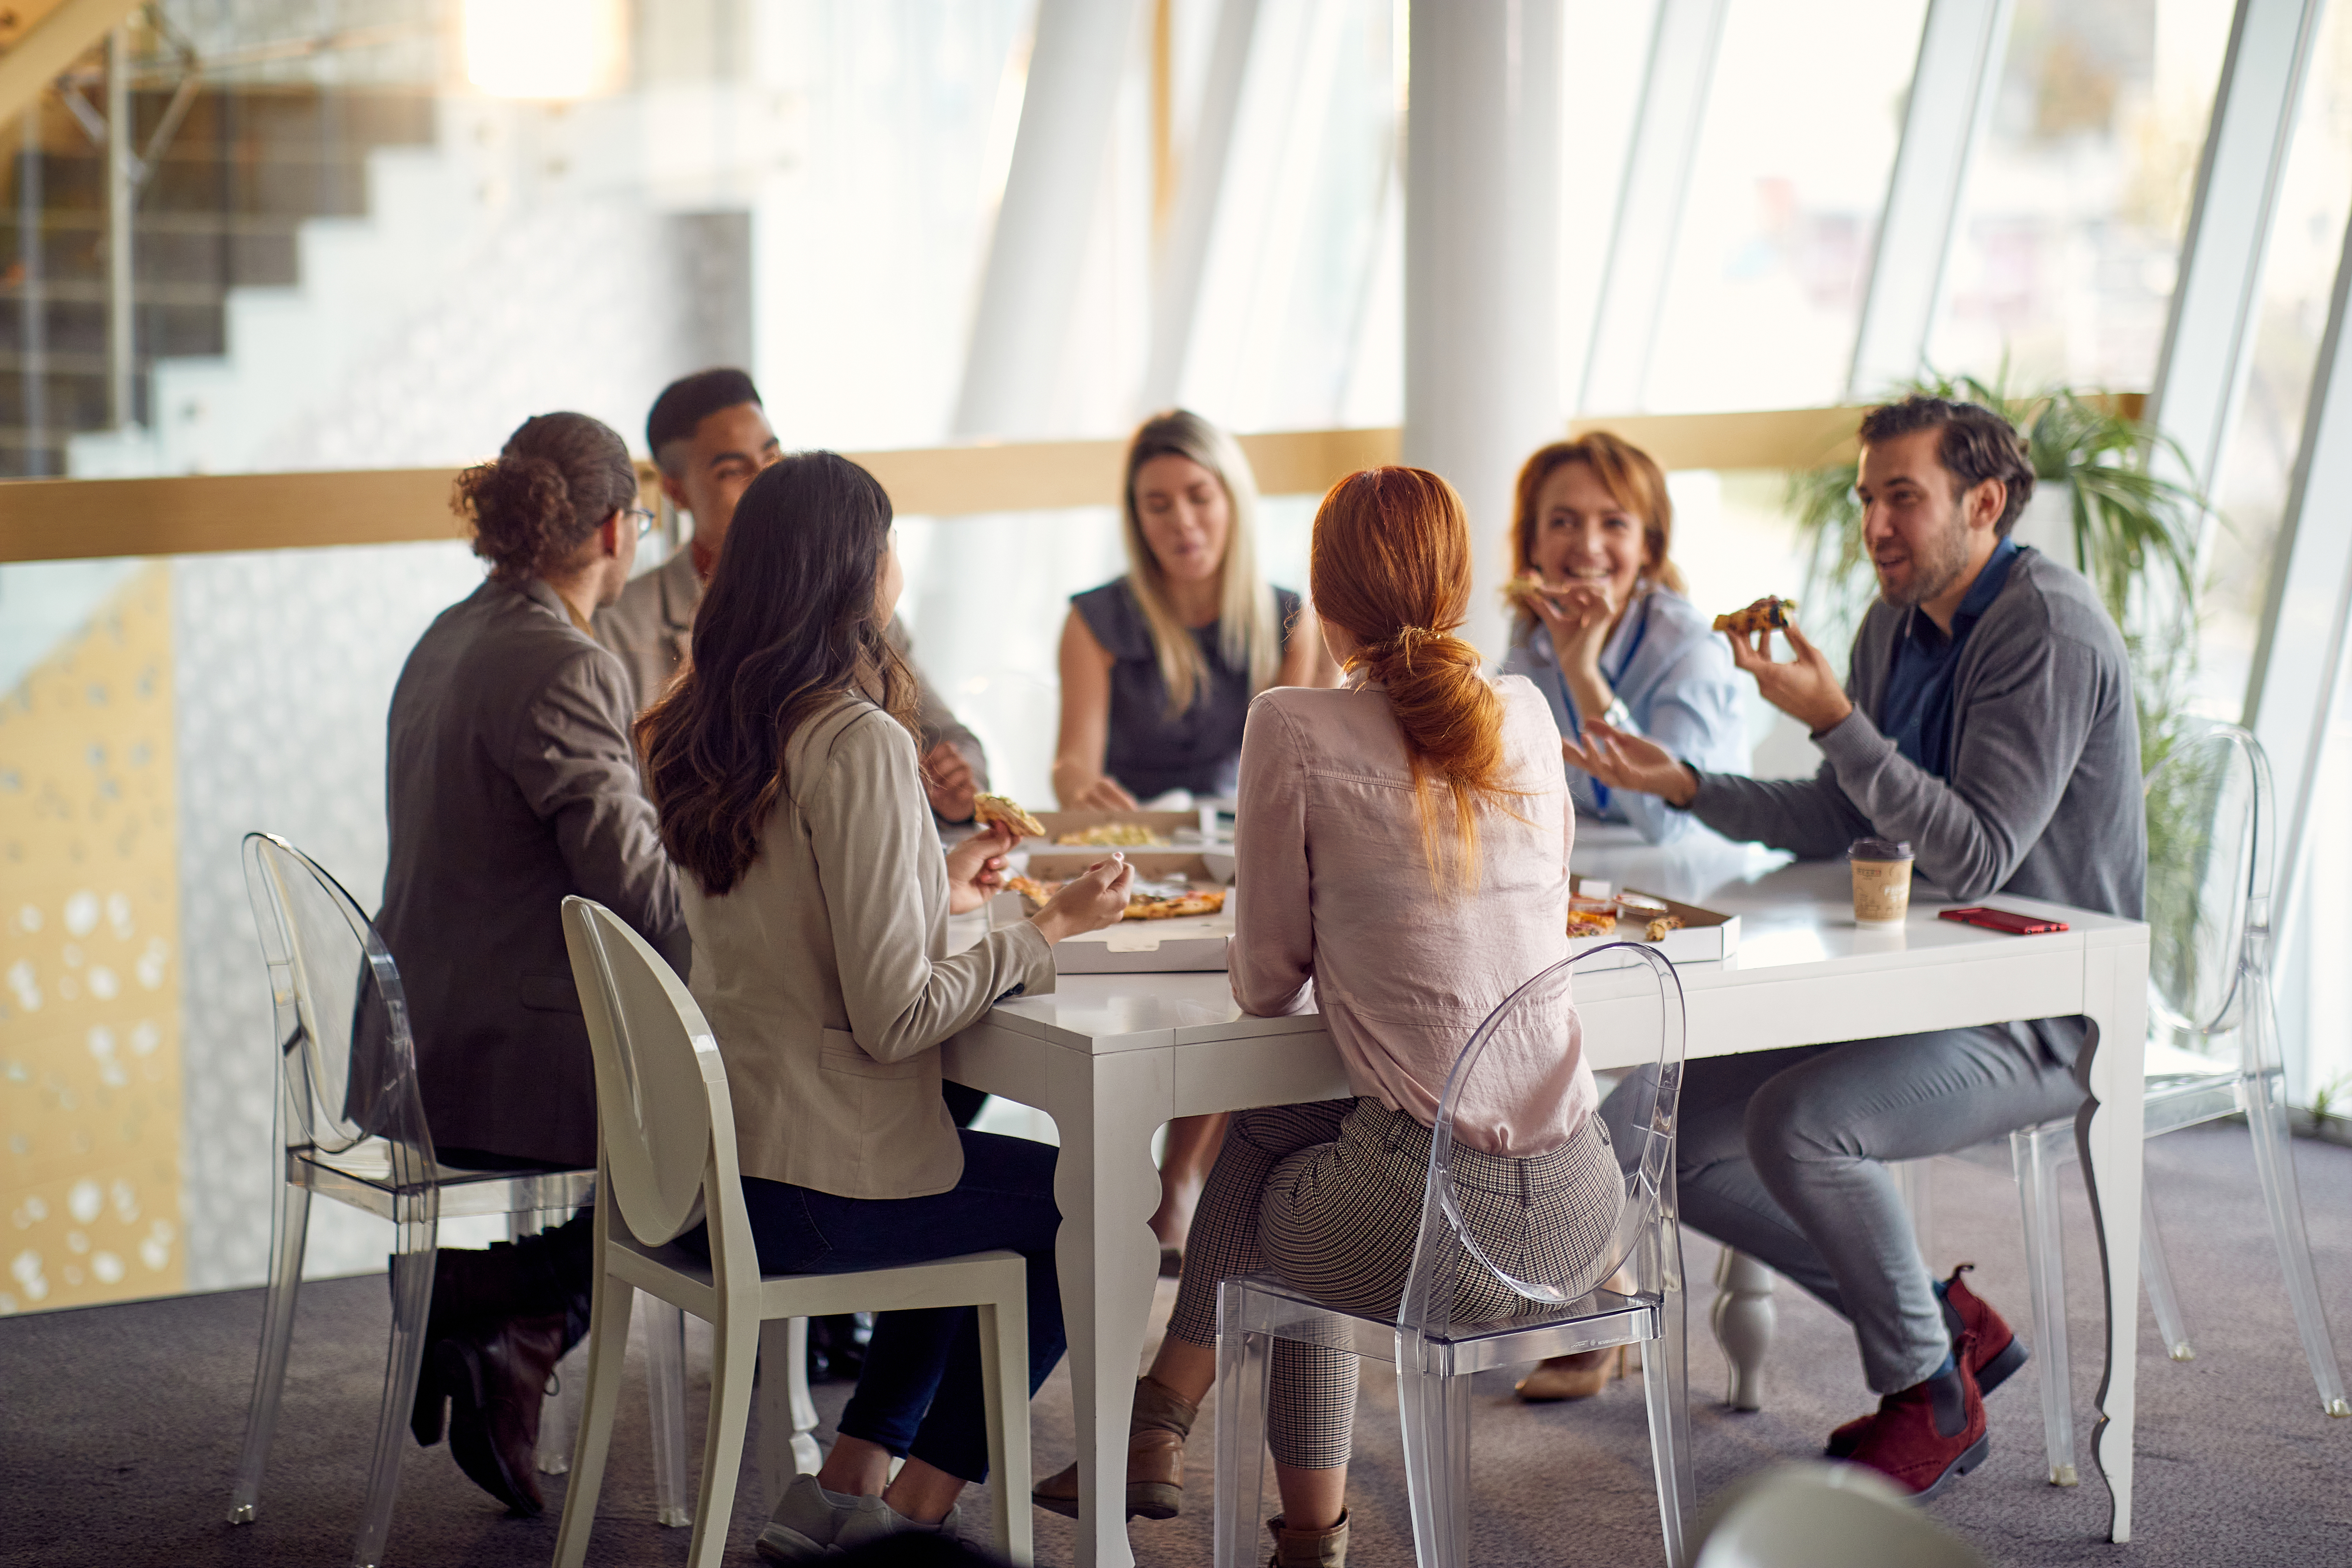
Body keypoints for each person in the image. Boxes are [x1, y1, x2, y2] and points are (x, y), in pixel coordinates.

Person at [1034, 467, 1626, 1567]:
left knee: (1268, 1169)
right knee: (1293, 1137)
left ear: (1323, 592)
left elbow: (1263, 981)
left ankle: (1168, 1412)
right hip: (1584, 1209)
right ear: (1454, 585)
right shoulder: (1532, 714)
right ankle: (1246, 1491)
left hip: (1439, 1231)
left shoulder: (1293, 721)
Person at [1565, 395, 2144, 1498]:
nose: (1875, 523)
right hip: (1918, 982)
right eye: (1866, 497)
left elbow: (1974, 853)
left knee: (1801, 1123)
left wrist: (1836, 719)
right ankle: (1940, 1325)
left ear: (1983, 503)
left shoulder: (2044, 629)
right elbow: (1847, 814)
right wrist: (1683, 784)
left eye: (1901, 496)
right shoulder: (1895, 624)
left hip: (2041, 1008)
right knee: (1651, 1123)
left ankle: (1929, 1390)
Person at [634, 450, 1137, 1559]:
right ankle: (913, 1513)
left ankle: (851, 1475)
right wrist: (1042, 932)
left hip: (716, 1167)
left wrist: (937, 886)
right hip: (809, 1187)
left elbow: (788, 925)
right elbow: (897, 1020)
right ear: (855, 570)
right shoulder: (854, 739)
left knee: (956, 1149)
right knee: (1089, 1204)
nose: (899, 563)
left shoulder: (704, 722)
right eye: (890, 540)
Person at [377, 411, 689, 1515]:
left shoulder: (452, 631)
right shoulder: (560, 661)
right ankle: (519, 1296)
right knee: (757, 1109)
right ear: (615, 528)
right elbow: (636, 898)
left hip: (428, 1026)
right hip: (503, 1052)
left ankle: (510, 1306)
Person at [1051, 408, 1340, 1269]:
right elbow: (1071, 761)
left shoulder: (1293, 616)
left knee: (1254, 956)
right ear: (1136, 519)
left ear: (1232, 501)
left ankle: (1180, 1177)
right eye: (1158, 505)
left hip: (1246, 850)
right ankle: (1159, 1174)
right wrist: (1075, 787)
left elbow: (1290, 770)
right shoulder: (1097, 620)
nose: (1182, 522)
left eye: (1199, 498)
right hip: (1138, 851)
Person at [595, 367, 991, 826]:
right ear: (675, 491)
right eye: (732, 471)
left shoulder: (859, 598)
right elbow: (623, 807)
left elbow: (945, 733)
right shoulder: (620, 629)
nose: (766, 482)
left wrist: (959, 785)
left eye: (772, 456)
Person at [1499, 432, 1746, 848]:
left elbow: (1665, 822)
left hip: (1698, 876)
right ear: (1534, 545)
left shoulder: (1692, 647)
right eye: (1563, 522)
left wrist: (1584, 675)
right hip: (1591, 867)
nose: (1588, 546)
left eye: (1614, 523)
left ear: (1648, 547)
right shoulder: (1531, 632)